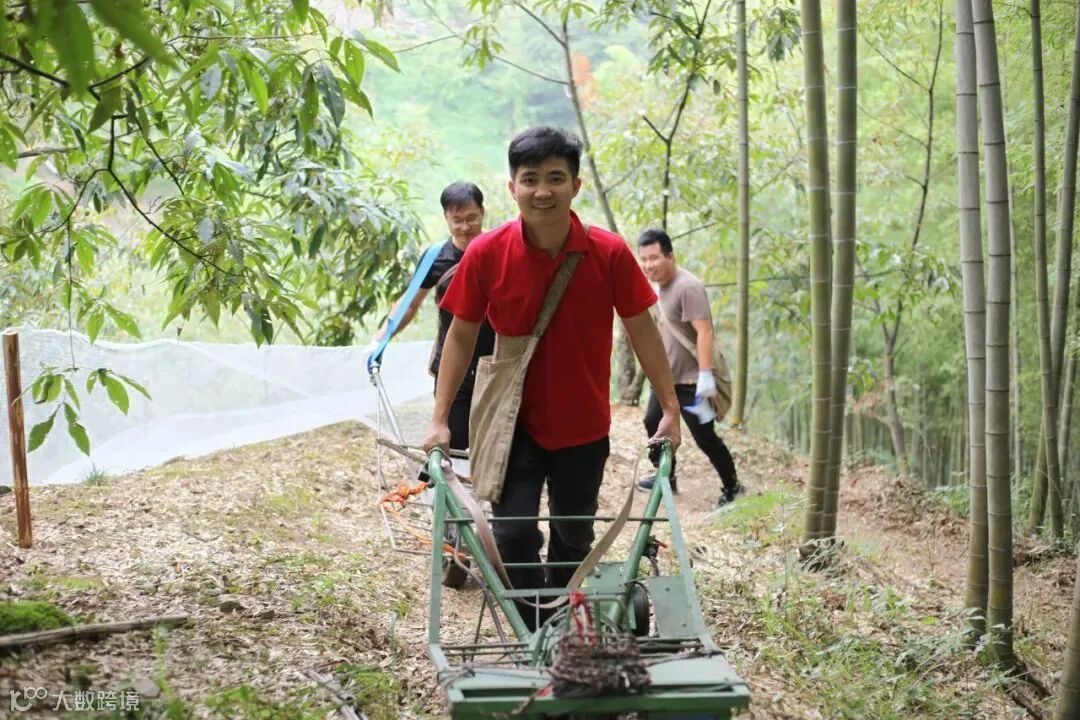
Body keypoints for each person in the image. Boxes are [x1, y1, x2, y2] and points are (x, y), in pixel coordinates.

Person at [422, 127, 682, 627]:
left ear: (575, 185)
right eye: (531, 179)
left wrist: (669, 408)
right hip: (511, 423)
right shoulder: (487, 253)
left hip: (584, 425)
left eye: (555, 178)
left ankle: (557, 626)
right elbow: (459, 336)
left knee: (574, 536)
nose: (543, 191)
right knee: (512, 534)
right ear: (512, 187)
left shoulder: (607, 252)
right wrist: (439, 419)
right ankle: (536, 629)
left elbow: (643, 331)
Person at [376, 182, 496, 450]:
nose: (464, 227)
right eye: (457, 220)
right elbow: (409, 303)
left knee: (496, 447)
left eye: (471, 218)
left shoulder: (500, 249)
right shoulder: (435, 257)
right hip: (452, 371)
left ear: (482, 212)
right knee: (454, 445)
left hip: (497, 365)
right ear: (446, 218)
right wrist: (381, 340)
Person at [636, 228, 742, 508]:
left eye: (654, 258)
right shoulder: (657, 286)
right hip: (667, 378)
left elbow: (704, 331)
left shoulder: (687, 287)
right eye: (644, 259)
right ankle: (666, 477)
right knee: (652, 422)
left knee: (705, 437)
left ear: (670, 256)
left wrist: (705, 375)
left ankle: (733, 487)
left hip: (692, 382)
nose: (648, 265)